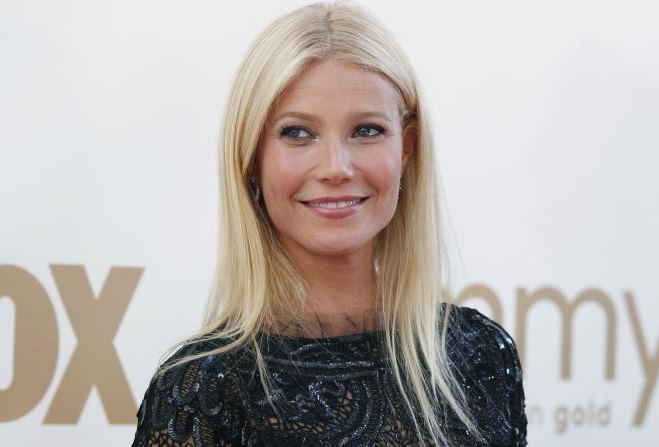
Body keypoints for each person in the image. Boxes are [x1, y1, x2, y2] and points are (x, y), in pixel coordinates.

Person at [131, 1, 528, 446]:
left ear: (407, 148)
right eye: (297, 133)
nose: (336, 167)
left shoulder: (481, 355)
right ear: (252, 156)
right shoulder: (202, 393)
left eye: (367, 130)